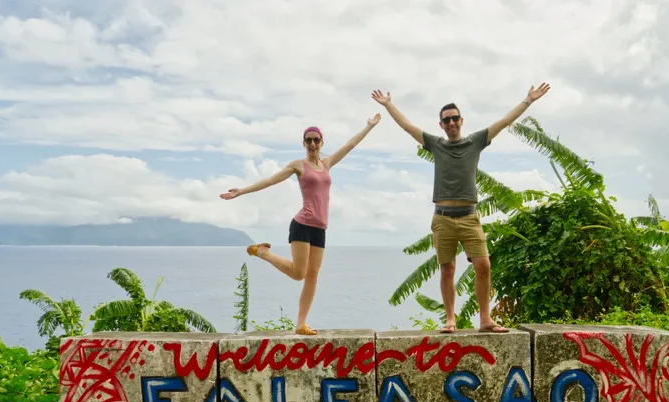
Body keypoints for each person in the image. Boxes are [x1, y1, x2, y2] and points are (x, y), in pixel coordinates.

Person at [371, 84, 550, 333]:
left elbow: (504, 121)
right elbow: (406, 126)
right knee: (447, 268)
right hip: (442, 218)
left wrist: (528, 100)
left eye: (455, 118)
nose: (452, 122)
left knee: (483, 264)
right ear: (441, 125)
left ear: (461, 120)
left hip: (469, 217)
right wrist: (389, 104)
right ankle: (451, 319)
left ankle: (485, 319)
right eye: (447, 120)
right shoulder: (435, 144)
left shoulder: (475, 142)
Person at [221, 114, 382, 335]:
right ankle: (262, 252)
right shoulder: (299, 165)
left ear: (322, 142)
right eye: (309, 140)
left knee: (312, 276)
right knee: (299, 274)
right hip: (302, 225)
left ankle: (301, 324)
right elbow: (271, 180)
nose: (313, 144)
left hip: (320, 229)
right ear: (304, 143)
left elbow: (350, 144)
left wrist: (369, 126)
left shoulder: (327, 164)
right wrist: (242, 191)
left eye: (316, 140)